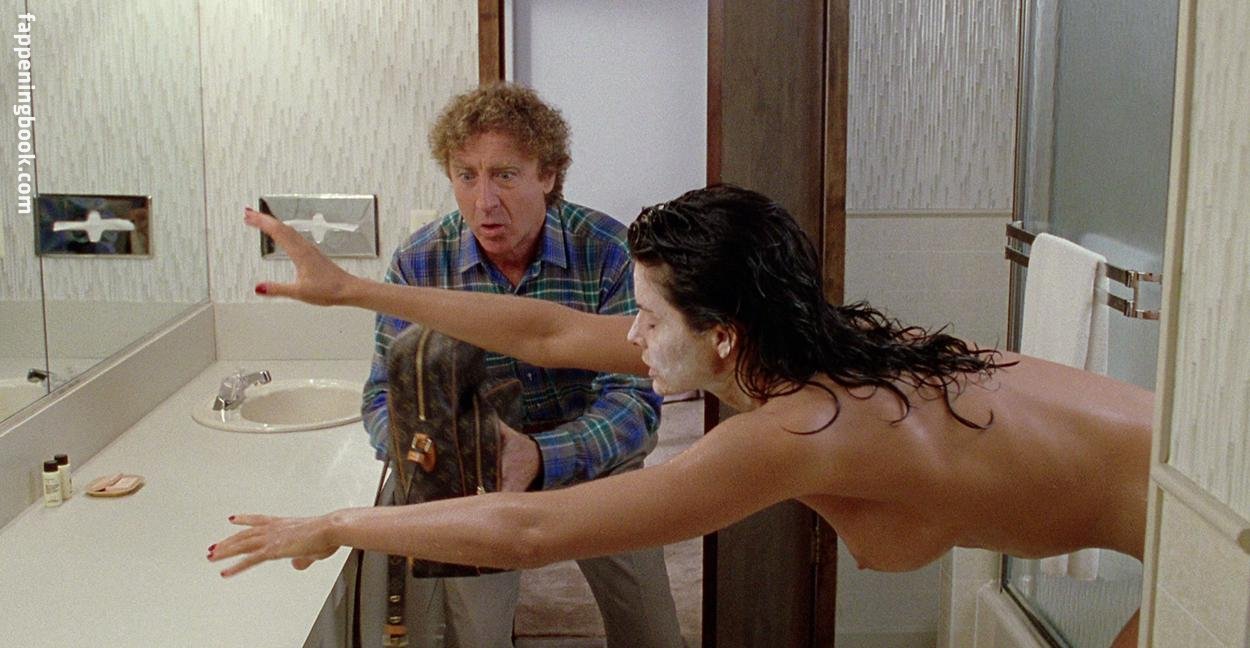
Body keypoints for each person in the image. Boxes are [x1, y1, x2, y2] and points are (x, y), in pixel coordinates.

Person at [213, 185, 1153, 647]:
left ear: (723, 336)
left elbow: (533, 530)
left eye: (651, 319)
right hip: (1171, 482)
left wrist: (337, 523)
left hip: (1202, 522)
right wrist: (355, 291)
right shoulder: (813, 346)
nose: (631, 336)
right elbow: (546, 331)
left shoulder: (801, 430)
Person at [357, 83, 681, 647]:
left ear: (548, 174)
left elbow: (636, 398)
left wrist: (540, 456)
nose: (484, 201)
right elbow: (383, 396)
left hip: (595, 462)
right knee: (478, 632)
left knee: (650, 631)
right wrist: (439, 457)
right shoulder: (419, 262)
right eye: (466, 175)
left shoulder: (609, 250)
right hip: (476, 474)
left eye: (504, 175)